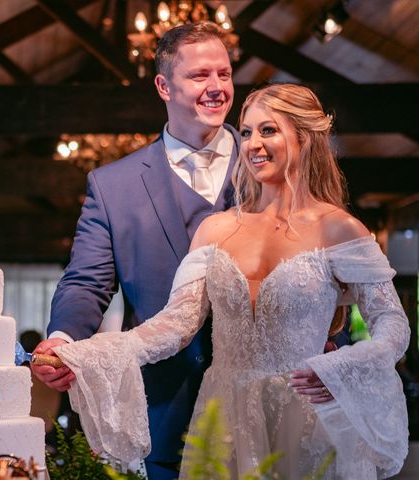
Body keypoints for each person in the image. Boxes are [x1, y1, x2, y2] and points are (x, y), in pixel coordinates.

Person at [52, 83, 410, 479]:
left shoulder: (339, 229)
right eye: (246, 132)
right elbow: (176, 325)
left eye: (268, 130)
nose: (253, 143)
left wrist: (343, 370)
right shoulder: (215, 229)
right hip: (224, 420)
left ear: (304, 139)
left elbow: (393, 325)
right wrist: (88, 355)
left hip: (306, 419)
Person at [32, 22, 241, 479]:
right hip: (162, 404)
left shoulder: (268, 164)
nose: (216, 88)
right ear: (164, 86)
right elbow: (87, 281)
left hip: (260, 398)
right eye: (200, 76)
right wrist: (63, 340)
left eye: (224, 74)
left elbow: (314, 256)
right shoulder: (113, 186)